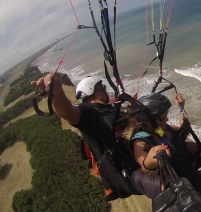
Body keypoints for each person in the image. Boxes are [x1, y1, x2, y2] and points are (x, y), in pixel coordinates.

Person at [31, 72, 167, 200]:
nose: (103, 89)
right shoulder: (89, 113)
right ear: (91, 90)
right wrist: (57, 92)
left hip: (143, 152)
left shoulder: (111, 109)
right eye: (100, 87)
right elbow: (69, 113)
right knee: (170, 186)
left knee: (181, 149)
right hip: (128, 172)